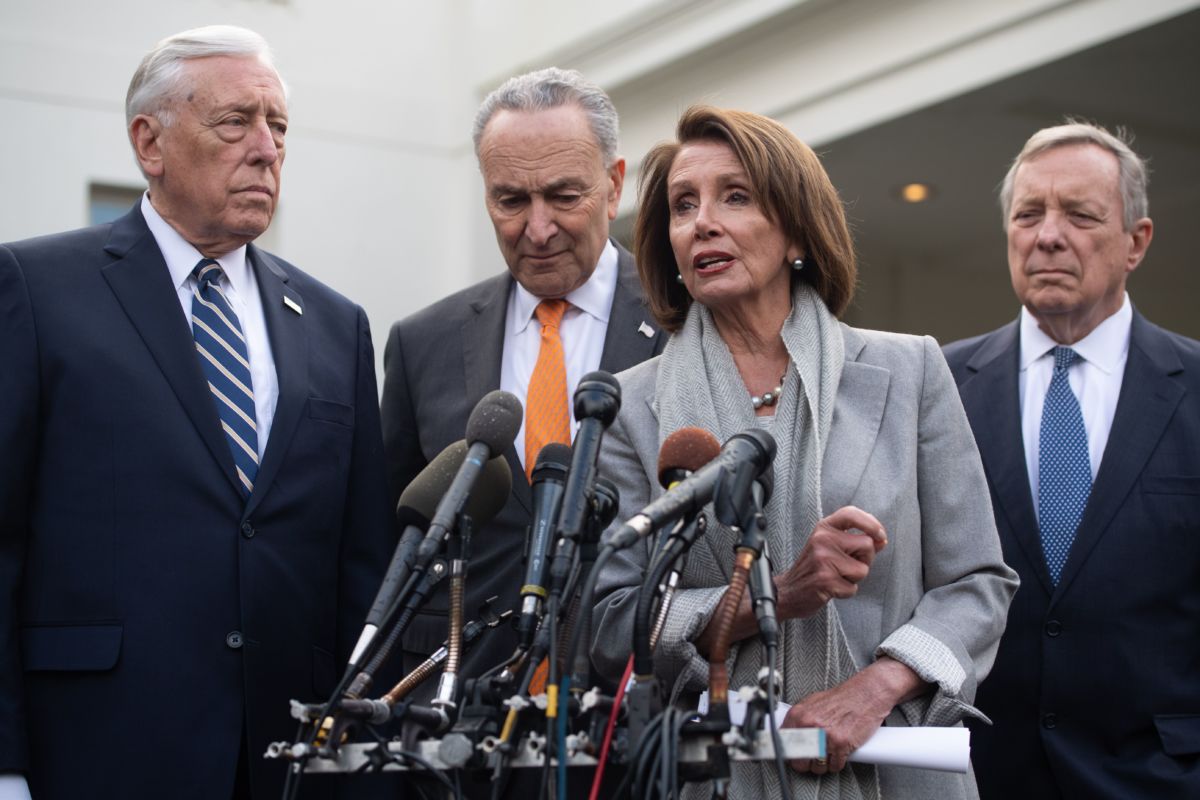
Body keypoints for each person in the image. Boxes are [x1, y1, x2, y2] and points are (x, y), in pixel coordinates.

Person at [0, 26, 395, 799]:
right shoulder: (37, 290)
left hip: (289, 763)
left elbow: (362, 569)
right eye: (235, 122)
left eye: (278, 126)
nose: (267, 148)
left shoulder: (335, 323)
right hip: (94, 753)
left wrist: (363, 765)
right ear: (150, 142)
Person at [591, 105, 1018, 799]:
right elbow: (611, 622)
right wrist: (777, 597)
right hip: (718, 774)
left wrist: (875, 688)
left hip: (895, 770)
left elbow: (978, 585)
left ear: (795, 226)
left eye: (736, 196)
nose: (703, 221)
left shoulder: (909, 372)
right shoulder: (630, 408)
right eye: (682, 205)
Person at [380, 69, 664, 698]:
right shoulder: (421, 342)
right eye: (511, 200)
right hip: (457, 714)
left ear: (614, 185)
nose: (538, 229)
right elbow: (389, 540)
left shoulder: (687, 323)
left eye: (565, 196)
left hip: (631, 712)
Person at [944, 121, 1200, 799]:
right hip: (981, 777)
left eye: (1079, 215)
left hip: (1159, 779)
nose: (1047, 235)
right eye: (1029, 214)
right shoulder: (938, 387)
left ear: (1136, 242)